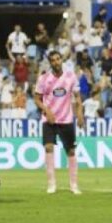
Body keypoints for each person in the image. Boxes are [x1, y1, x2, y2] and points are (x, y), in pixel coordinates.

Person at [34, 50, 85, 194]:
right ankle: (51, 184)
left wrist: (80, 114)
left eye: (58, 59)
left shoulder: (70, 76)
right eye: (53, 60)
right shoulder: (44, 79)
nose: (56, 62)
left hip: (66, 119)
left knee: (71, 151)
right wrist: (46, 110)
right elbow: (37, 98)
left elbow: (77, 98)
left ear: (61, 60)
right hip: (49, 120)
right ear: (50, 63)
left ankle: (74, 185)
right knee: (48, 148)